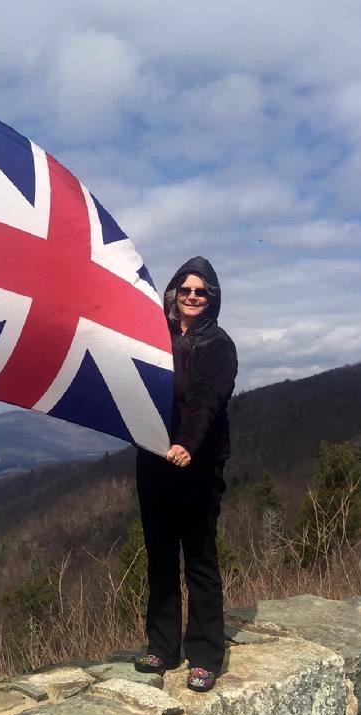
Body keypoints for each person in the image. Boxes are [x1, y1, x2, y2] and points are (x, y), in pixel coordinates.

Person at [134, 256, 237, 692]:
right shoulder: (152, 336)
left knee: (198, 557)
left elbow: (205, 400)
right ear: (173, 292)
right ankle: (162, 646)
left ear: (211, 299)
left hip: (196, 463)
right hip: (153, 458)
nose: (192, 296)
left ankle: (205, 653)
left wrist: (187, 445)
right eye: (186, 289)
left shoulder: (218, 345)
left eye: (202, 291)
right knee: (159, 555)